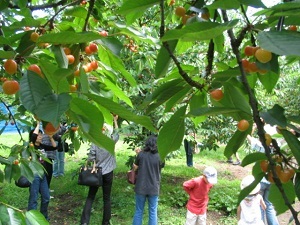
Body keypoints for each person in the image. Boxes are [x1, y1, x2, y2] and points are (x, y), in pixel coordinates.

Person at [80, 115, 119, 225]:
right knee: (106, 198)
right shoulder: (110, 141)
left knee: (90, 197)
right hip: (108, 173)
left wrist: (95, 162)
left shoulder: (95, 142)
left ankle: (84, 222)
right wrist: (115, 121)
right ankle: (106, 222)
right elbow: (117, 133)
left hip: (96, 172)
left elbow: (91, 157)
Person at [246, 132, 280, 225]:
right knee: (269, 205)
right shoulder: (279, 149)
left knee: (259, 205)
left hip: (261, 181)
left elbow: (252, 142)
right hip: (272, 180)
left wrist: (247, 132)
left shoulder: (262, 148)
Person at [132, 135, 165, 225]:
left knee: (138, 211)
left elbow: (135, 168)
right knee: (153, 212)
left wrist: (138, 154)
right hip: (154, 187)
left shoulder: (141, 154)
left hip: (140, 186)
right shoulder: (160, 156)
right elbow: (160, 167)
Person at [28, 121, 57, 221]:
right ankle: (31, 220)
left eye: (41, 135)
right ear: (35, 137)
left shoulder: (42, 146)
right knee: (34, 199)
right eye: (39, 135)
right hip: (34, 175)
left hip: (42, 175)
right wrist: (38, 123)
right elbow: (33, 136)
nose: (41, 137)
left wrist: (50, 137)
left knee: (46, 197)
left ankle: (44, 217)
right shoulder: (31, 147)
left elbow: (54, 147)